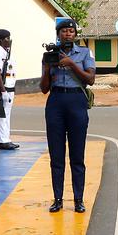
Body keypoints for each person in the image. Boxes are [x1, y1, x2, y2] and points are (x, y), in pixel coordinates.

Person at [39, 19, 95, 213]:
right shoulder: (49, 55)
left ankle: (78, 199)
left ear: (75, 34)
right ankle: (58, 199)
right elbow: (44, 89)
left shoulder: (85, 53)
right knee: (56, 155)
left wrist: (72, 64)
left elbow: (90, 79)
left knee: (77, 155)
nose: (68, 34)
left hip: (76, 102)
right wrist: (47, 69)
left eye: (71, 31)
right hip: (55, 102)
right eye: (64, 31)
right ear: (58, 34)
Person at [0, 29, 19, 150]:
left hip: (10, 86)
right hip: (4, 87)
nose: (9, 40)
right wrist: (3, 91)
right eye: (7, 38)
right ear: (1, 40)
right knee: (2, 114)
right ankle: (3, 141)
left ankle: (6, 138)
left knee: (7, 114)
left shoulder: (7, 52)